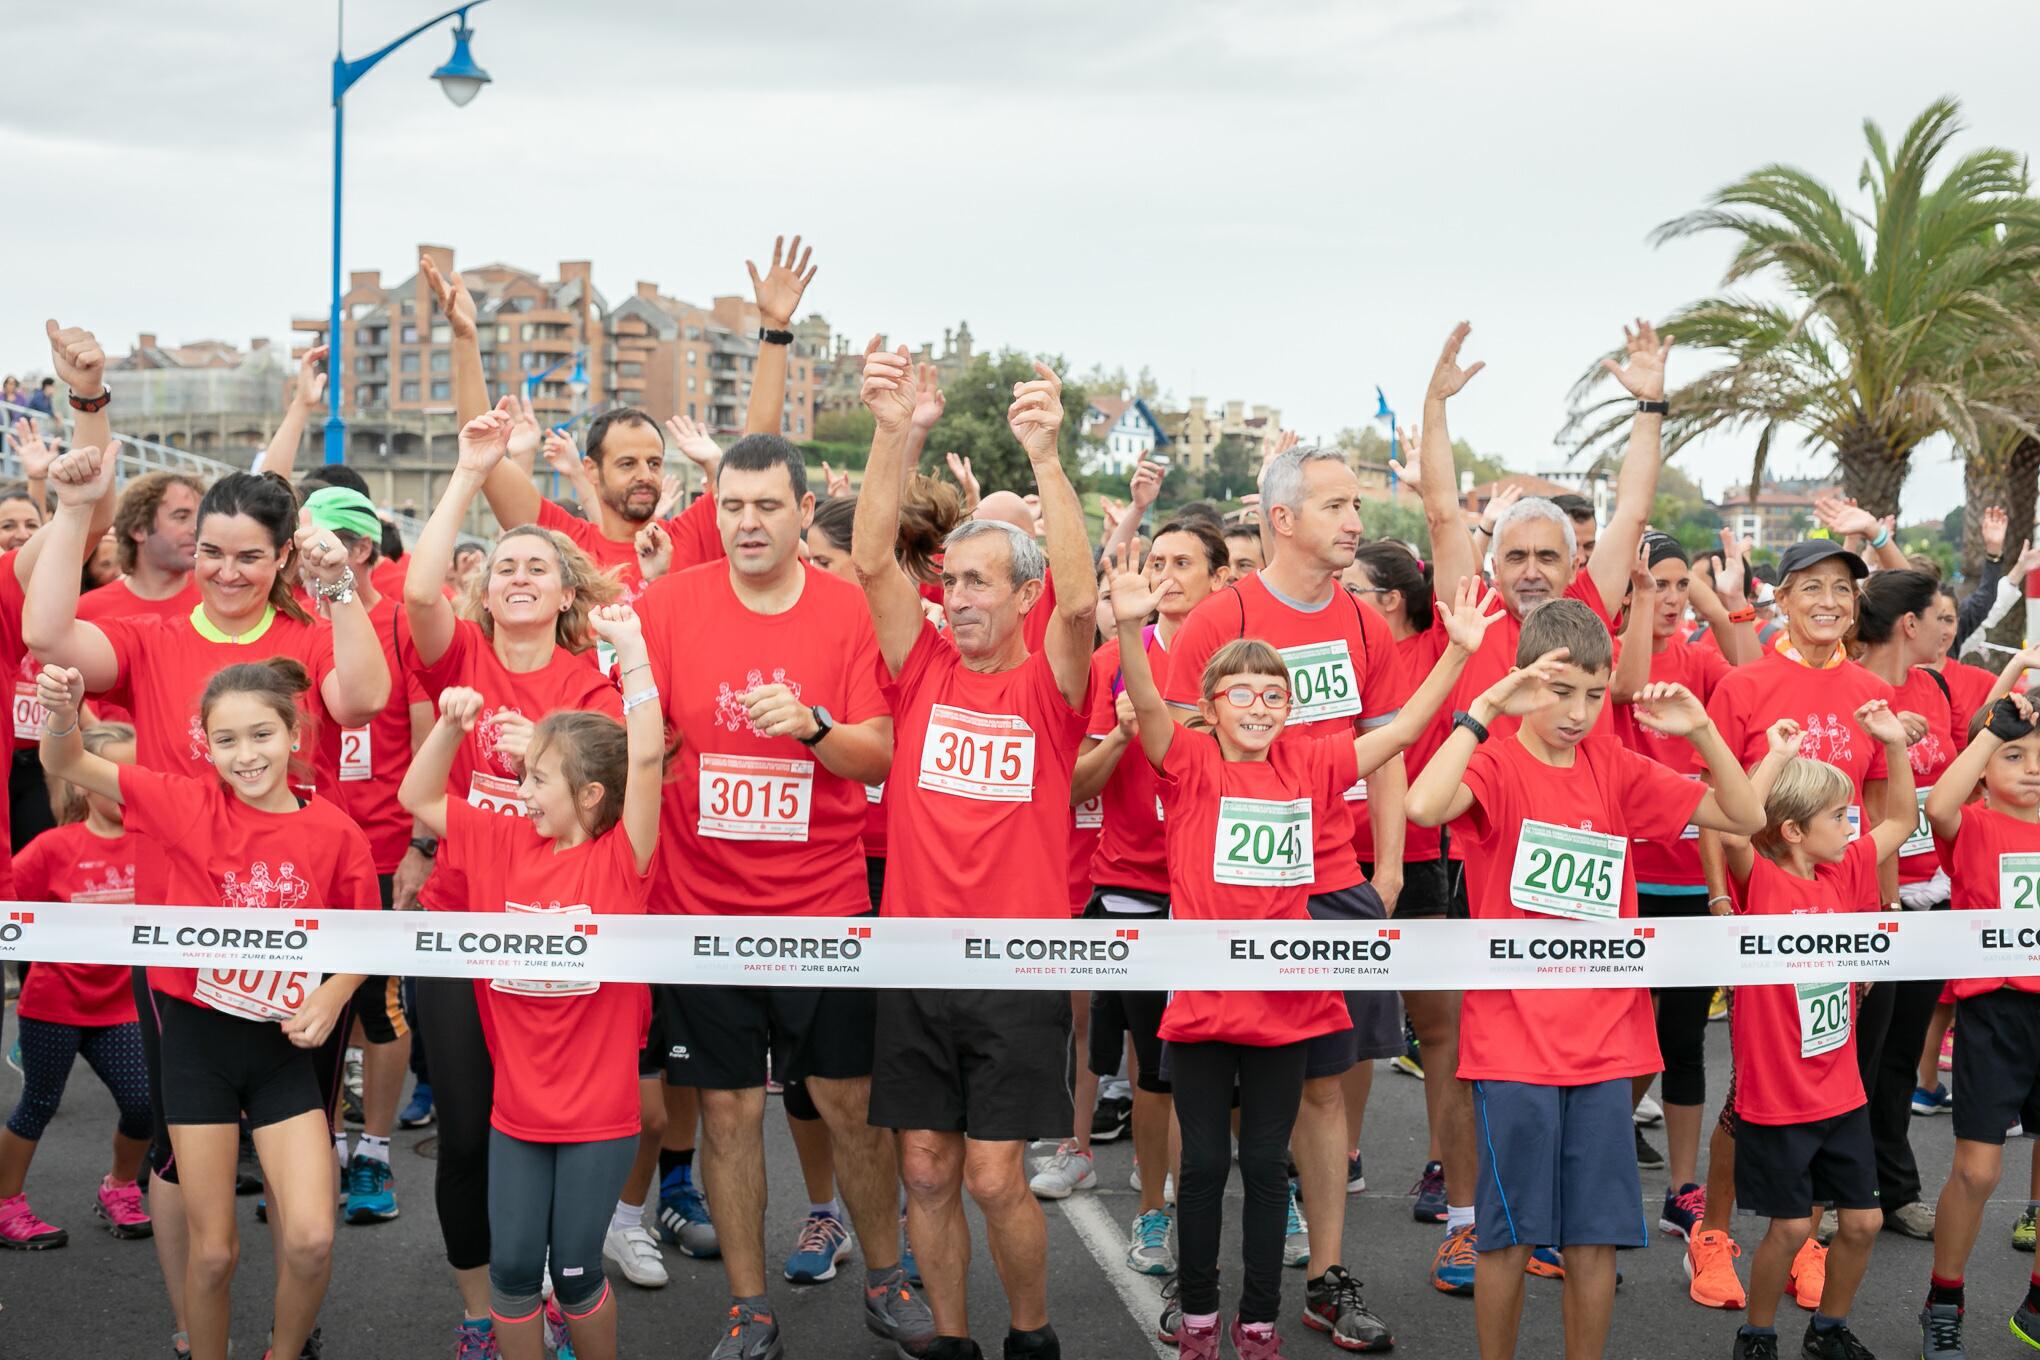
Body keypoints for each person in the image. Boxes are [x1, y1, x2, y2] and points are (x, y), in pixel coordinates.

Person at [1124, 548, 1501, 1359]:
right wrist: (1127, 628)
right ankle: (1196, 1317)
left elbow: (1400, 731)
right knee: (1201, 1169)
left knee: (1265, 1165)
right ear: (1212, 707)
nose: (1259, 708)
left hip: (1287, 1011)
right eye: (1242, 695)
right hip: (1201, 1010)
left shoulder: (1309, 763)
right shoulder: (1190, 765)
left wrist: (1463, 656)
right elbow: (1151, 708)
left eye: (1275, 696)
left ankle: (1258, 1323)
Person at [636, 429, 934, 1359]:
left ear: (804, 512)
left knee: (848, 1102)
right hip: (699, 911)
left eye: (768, 505)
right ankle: (749, 1307)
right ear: (712, 507)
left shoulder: (845, 611)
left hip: (821, 906)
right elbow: (636, 736)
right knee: (726, 1112)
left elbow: (880, 753)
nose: (748, 523)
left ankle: (886, 1280)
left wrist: (813, 728)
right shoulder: (668, 604)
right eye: (732, 505)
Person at [1406, 599, 1765, 1360]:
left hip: (1609, 1044)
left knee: (1592, 1240)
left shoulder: (1616, 767)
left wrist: (1701, 731)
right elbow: (1423, 803)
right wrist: (1484, 707)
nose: (1577, 712)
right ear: (1525, 684)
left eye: (1595, 696)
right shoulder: (1497, 762)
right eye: (1559, 691)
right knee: (1506, 1240)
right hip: (1512, 1046)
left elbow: (1747, 811)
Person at [850, 340, 1095, 1360]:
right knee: (924, 1169)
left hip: (1013, 966)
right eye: (951, 579)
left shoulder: (1048, 686)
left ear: (1021, 596)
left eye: (981, 582)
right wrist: (894, 431)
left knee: (996, 1175)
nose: (957, 595)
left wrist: (1044, 458)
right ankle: (950, 1342)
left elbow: (1083, 603)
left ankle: (1029, 1336)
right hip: (914, 962)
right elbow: (869, 559)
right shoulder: (923, 668)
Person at [39, 657, 375, 1360]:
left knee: (311, 1238)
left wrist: (333, 991)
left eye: (260, 735)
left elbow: (365, 942)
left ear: (292, 735)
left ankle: (283, 1353)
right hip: (197, 1044)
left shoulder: (338, 833)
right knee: (215, 1253)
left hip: (285, 1049)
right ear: (205, 744)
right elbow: (66, 758)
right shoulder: (182, 802)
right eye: (226, 741)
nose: (245, 756)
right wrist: (65, 708)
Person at [1159, 442, 1412, 1350]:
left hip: (1336, 890)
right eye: (1339, 505)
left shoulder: (1364, 623)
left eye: (1357, 505)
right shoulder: (1217, 618)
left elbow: (1385, 750)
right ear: (1281, 519)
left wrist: (1384, 875)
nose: (1356, 521)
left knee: (1323, 1095)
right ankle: (1197, 1280)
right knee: (1220, 1106)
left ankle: (1323, 1279)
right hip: (1232, 904)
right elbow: (1185, 763)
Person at [403, 403, 625, 1358]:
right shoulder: (463, 657)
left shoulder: (593, 688)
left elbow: (622, 799)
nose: (521, 575)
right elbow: (416, 596)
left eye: (539, 563)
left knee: (551, 1132)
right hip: (461, 924)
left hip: (559, 937)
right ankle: (484, 1310)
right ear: (483, 593)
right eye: (505, 566)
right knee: (467, 1136)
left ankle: (558, 1301)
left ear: (566, 587)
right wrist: (468, 473)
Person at [400, 602, 659, 1360]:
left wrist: (633, 651)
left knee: (576, 1277)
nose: (521, 787)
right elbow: (417, 799)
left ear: (589, 797)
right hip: (516, 1113)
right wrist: (449, 724)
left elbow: (643, 761)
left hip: (598, 1119)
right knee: (513, 1272)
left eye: (538, 778)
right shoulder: (500, 840)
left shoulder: (621, 860)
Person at [1685, 539, 1897, 1310]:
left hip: (1842, 925)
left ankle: (1800, 1238)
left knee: (1827, 1086)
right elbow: (1720, 812)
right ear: (1782, 599)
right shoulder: (1744, 686)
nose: (1828, 602)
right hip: (1758, 916)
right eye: (1811, 587)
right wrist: (1718, 908)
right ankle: (1712, 1235)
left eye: (1841, 589)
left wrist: (1875, 929)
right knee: (1752, 1098)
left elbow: (1877, 820)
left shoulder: (1872, 687)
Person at [1720, 709, 1915, 1360]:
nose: (1850, 826)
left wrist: (1892, 747)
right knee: (1790, 1226)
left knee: (1863, 1222)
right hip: (1778, 1099)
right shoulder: (1765, 884)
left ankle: (1828, 1329)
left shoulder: (1844, 871)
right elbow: (1735, 822)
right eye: (1838, 817)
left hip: (1841, 1091)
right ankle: (1759, 1331)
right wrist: (1773, 756)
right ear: (1795, 830)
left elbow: (1904, 823)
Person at [1064, 520, 1232, 1273]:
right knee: (1153, 1069)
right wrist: (1125, 737)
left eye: (1183, 563)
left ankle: (1277, 1189)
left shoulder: (1241, 666)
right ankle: (1153, 1212)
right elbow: (1073, 787)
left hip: (1223, 894)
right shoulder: (1111, 661)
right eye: (1155, 561)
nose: (1166, 575)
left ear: (1220, 578)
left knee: (1244, 1059)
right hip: (1133, 887)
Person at [1607, 533, 1760, 1240]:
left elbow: (1758, 688)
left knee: (1684, 1038)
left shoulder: (1701, 657)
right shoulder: (1611, 645)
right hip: (1625, 880)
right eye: (1657, 584)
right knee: (1625, 1033)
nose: (1669, 598)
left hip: (1691, 876)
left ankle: (1681, 1189)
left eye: (1677, 586)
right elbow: (1630, 686)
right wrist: (1643, 596)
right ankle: (1599, 1149)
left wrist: (1722, 603)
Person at [1344, 540, 1486, 1293]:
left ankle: (1442, 1164)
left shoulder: (1433, 642)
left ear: (1391, 598)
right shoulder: (1337, 646)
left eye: (1354, 586)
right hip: (1337, 856)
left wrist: (1431, 414)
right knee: (1345, 1019)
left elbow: (1442, 521)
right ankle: (1345, 1156)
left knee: (1437, 1025)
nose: (1340, 594)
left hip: (1424, 860)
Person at [297, 482, 420, 1227]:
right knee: (304, 1006)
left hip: (380, 849)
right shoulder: (292, 625)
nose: (306, 557)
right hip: (302, 853)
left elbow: (432, 741)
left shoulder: (401, 625)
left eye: (321, 543)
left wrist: (421, 849)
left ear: (362, 548)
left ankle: (372, 1148)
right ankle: (311, 1147)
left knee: (380, 1008)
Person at [1917, 693, 2040, 1358]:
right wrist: (1993, 731)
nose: (2030, 768)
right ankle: (1944, 1297)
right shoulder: (1971, 825)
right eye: (2013, 756)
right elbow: (1936, 805)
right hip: (1994, 1011)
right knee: (1978, 1172)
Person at [0, 720, 152, 1249]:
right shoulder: (51, 849)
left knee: (144, 1105)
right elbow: (10, 913)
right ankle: (7, 1205)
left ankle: (121, 1187)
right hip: (53, 1005)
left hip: (123, 1008)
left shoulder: (155, 846)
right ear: (85, 783)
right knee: (38, 1105)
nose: (128, 785)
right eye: (115, 774)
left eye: (138, 773)